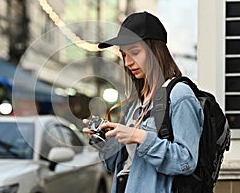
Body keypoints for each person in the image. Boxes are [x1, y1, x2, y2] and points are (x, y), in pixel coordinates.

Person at [83, 11, 204, 193]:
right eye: (124, 55)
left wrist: (139, 137)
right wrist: (102, 140)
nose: (128, 62)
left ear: (156, 51)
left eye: (135, 52)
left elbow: (186, 161)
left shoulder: (179, 95)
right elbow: (118, 165)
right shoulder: (136, 103)